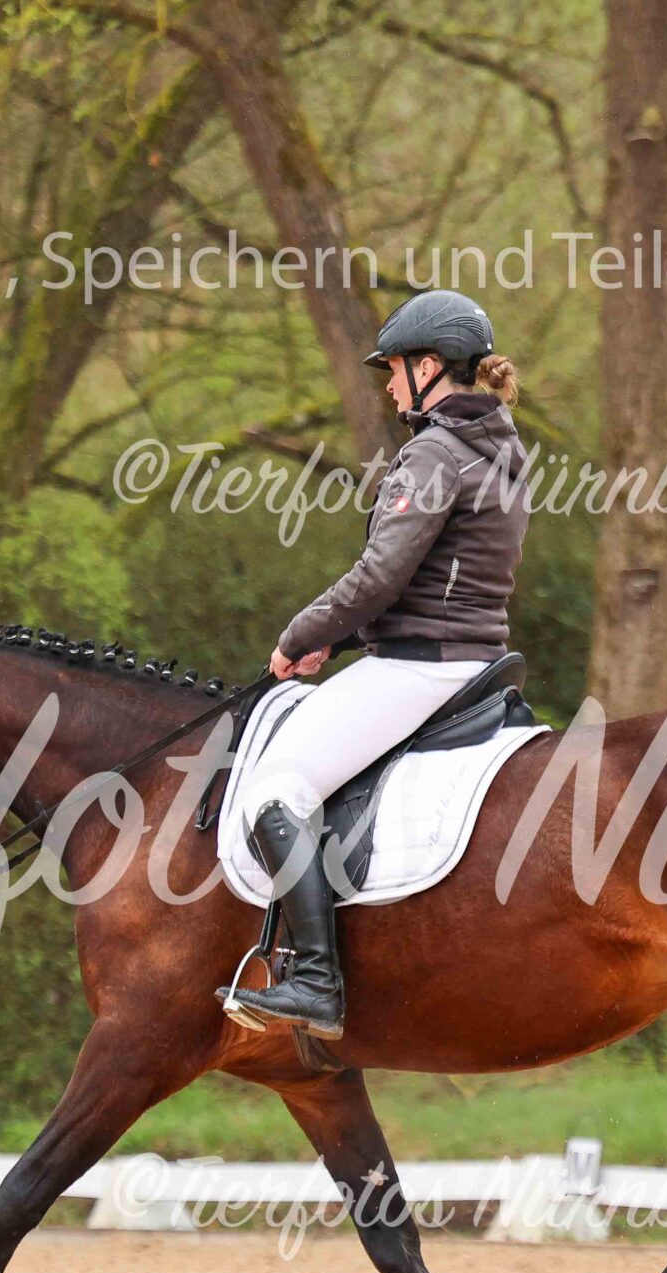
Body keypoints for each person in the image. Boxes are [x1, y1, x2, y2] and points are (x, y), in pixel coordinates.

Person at [221, 289, 532, 1039]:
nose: (389, 384)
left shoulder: (435, 453)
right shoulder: (502, 450)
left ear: (429, 367)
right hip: (471, 657)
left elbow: (380, 575)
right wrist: (341, 641)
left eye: (394, 369)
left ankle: (315, 982)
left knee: (273, 792)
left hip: (419, 668)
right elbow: (433, 578)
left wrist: (300, 634)